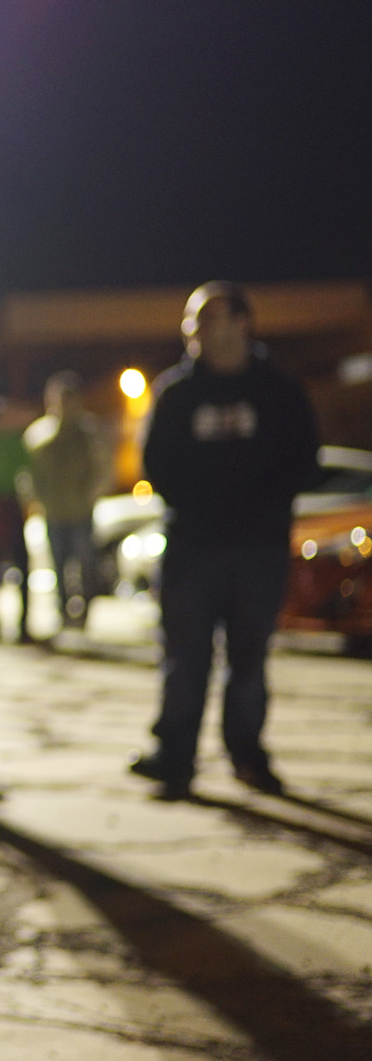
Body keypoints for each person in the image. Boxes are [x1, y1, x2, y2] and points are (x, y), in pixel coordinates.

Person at [129, 282, 319, 800]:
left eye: (208, 319)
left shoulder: (278, 391)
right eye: (192, 322)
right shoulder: (177, 393)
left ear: (242, 323)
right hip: (193, 545)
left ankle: (247, 753)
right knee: (183, 655)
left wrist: (261, 505)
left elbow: (304, 459)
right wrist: (199, 503)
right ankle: (175, 755)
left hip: (259, 547)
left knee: (249, 658)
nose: (195, 331)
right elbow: (156, 463)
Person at [23, 371, 110, 632]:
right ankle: (62, 611)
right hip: (54, 510)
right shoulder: (40, 434)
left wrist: (91, 495)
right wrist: (36, 499)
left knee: (86, 564)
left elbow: (103, 468)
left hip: (81, 510)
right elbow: (29, 473)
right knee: (58, 563)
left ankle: (85, 611)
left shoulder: (88, 431)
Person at [0, 397, 37, 643]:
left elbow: (27, 468)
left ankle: (23, 624)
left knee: (22, 564)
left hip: (11, 504)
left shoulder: (15, 441)